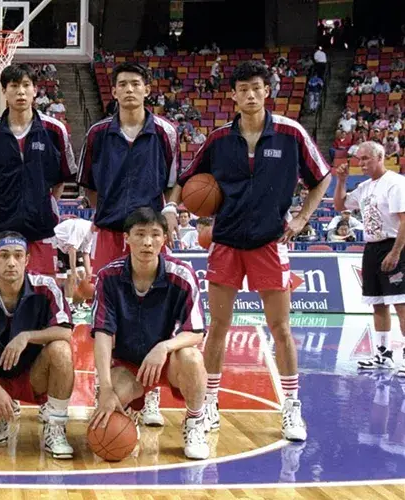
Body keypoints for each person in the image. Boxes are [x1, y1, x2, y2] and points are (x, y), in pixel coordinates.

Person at [175, 60, 331, 441]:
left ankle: (291, 407)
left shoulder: (291, 133)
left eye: (256, 88)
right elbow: (186, 181)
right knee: (218, 327)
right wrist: (176, 211)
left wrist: (301, 218)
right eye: (242, 88)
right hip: (226, 242)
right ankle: (209, 403)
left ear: (267, 91)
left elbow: (323, 177)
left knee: (281, 328)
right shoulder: (217, 139)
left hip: (269, 242)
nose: (249, 94)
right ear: (232, 95)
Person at [75, 61, 179, 420]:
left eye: (136, 83)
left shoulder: (165, 131)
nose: (130, 89)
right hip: (110, 232)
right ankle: (109, 385)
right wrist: (110, 213)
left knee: (155, 313)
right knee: (108, 316)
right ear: (114, 91)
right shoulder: (97, 134)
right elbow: (89, 186)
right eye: (123, 84)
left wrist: (169, 210)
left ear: (147, 89)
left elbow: (174, 182)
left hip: (150, 235)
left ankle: (151, 394)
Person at [88, 207, 209, 460]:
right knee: (107, 411)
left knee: (192, 357)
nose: (147, 242)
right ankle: (131, 410)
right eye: (140, 234)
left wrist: (164, 347)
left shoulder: (182, 275)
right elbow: (102, 334)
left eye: (155, 234)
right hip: (128, 365)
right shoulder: (108, 276)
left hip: (167, 363)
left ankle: (195, 422)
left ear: (164, 239)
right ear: (127, 238)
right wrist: (106, 388)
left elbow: (196, 331)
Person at [0, 231, 75, 459]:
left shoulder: (46, 287)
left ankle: (55, 427)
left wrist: (26, 336)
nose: (11, 262)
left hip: (34, 375)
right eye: (4, 255)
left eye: (18, 255)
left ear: (27, 259)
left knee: (61, 349)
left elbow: (65, 331)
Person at [0, 64, 76, 275]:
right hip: (2, 228)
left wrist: (42, 205)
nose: (20, 91)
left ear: (35, 90)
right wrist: (5, 207)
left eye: (26, 85)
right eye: (14, 86)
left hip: (42, 228)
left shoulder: (54, 130)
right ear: (4, 91)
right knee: (5, 287)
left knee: (43, 288)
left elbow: (61, 179)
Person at [334, 141, 405, 376]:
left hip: (394, 244)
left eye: (366, 158)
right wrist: (341, 181)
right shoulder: (364, 187)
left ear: (380, 157)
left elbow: (404, 221)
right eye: (359, 159)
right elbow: (340, 206)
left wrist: (395, 252)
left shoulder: (395, 183)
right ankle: (383, 354)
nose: (361, 163)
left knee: (401, 304)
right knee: (378, 303)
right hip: (372, 248)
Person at [52, 217, 96, 311]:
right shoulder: (82, 228)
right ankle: (68, 304)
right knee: (68, 276)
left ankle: (80, 302)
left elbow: (85, 253)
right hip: (58, 243)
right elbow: (72, 249)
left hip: (73, 247)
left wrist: (89, 272)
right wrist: (73, 271)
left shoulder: (93, 233)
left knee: (82, 273)